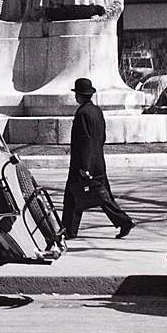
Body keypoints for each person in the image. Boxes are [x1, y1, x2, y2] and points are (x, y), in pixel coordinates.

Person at [62, 77, 134, 240]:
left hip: (83, 163)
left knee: (73, 196)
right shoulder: (97, 111)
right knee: (103, 196)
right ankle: (123, 221)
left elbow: (85, 140)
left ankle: (69, 230)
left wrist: (84, 166)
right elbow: (102, 137)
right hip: (98, 162)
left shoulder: (82, 113)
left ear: (78, 95)